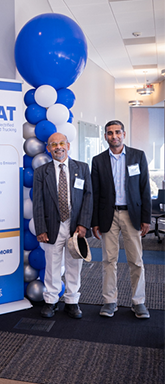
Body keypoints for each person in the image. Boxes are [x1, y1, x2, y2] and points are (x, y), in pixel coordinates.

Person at [91, 120, 151, 319]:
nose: (114, 136)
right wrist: (95, 221)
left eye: (117, 132)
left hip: (132, 214)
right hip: (108, 216)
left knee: (136, 260)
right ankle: (110, 301)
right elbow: (96, 192)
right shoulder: (98, 160)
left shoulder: (137, 156)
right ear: (105, 136)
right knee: (109, 260)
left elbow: (144, 189)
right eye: (109, 133)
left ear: (124, 134)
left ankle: (138, 302)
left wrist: (146, 218)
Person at [33, 132, 92, 319]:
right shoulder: (42, 172)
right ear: (48, 148)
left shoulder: (82, 168)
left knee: (75, 263)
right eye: (53, 144)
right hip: (52, 226)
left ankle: (72, 301)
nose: (58, 147)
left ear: (68, 145)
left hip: (75, 226)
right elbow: (38, 202)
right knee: (52, 264)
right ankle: (51, 301)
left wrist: (83, 224)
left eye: (61, 143)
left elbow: (88, 197)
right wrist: (41, 228)